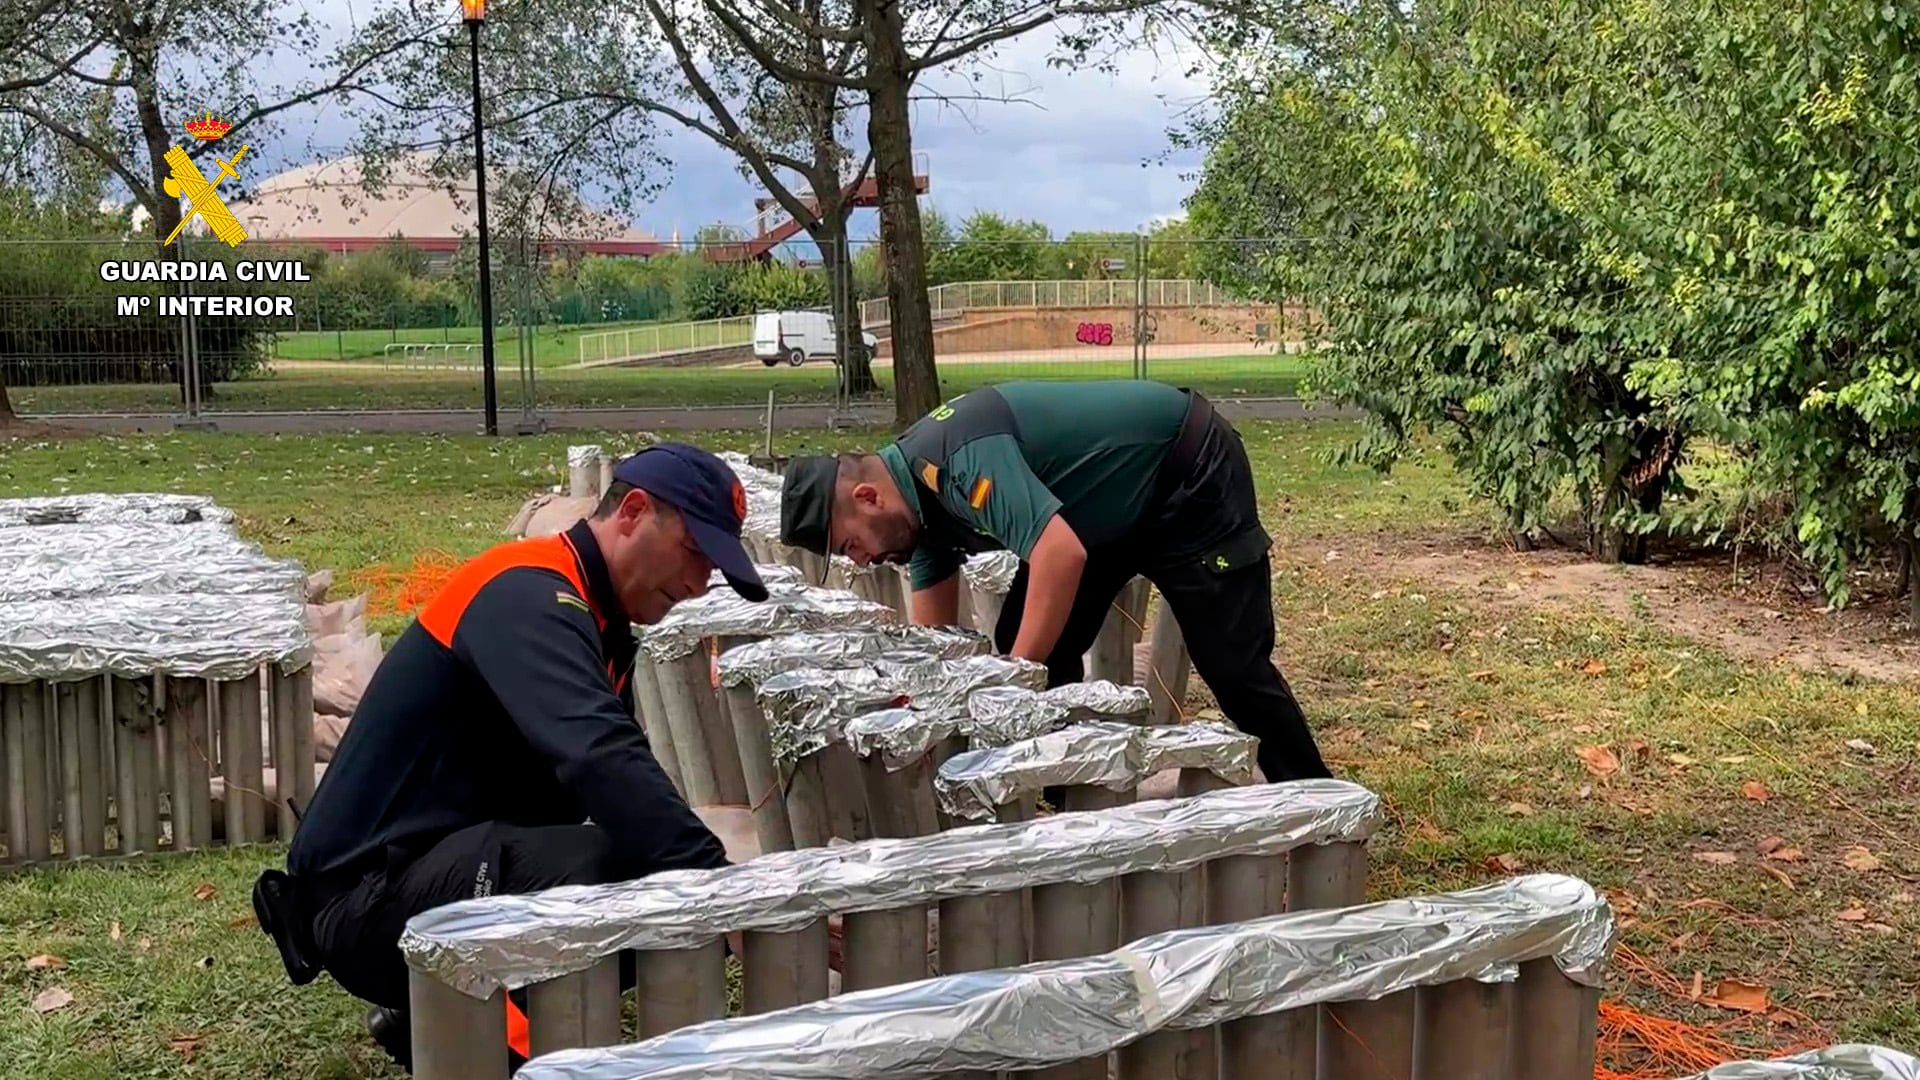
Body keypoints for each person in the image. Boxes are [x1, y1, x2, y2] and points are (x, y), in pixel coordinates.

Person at [254, 442, 769, 1073]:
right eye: (695, 553)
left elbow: (607, 783)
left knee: (656, 858)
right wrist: (725, 893)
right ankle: (481, 1029)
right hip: (363, 900)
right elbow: (599, 756)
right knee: (641, 874)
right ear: (632, 511)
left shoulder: (599, 622)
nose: (697, 585)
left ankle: (434, 1015)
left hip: (425, 872)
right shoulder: (526, 593)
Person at [777, 380, 1331, 784]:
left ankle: (1318, 802)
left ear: (867, 498)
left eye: (852, 544)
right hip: (1102, 511)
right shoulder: (916, 519)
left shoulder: (957, 462)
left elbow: (1059, 554)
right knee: (1035, 635)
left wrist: (1010, 681)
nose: (864, 562)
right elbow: (938, 644)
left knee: (1231, 668)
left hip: (1187, 475)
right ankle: (1072, 797)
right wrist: (927, 710)